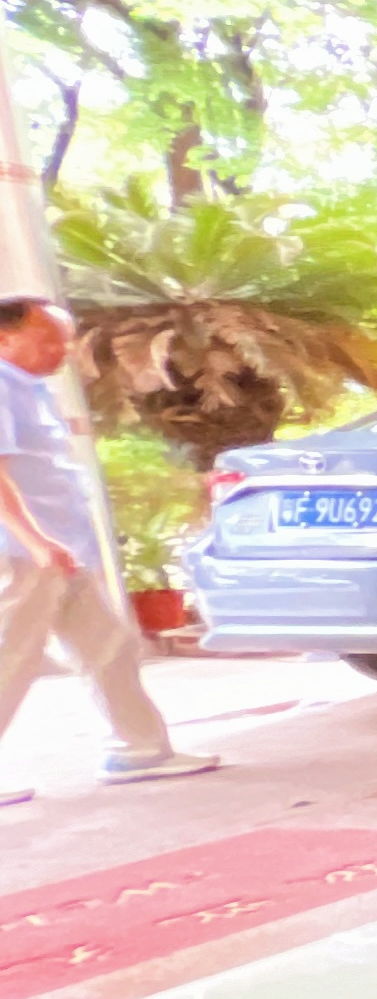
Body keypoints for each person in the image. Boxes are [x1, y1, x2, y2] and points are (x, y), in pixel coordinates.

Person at [0, 296, 218, 800]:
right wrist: (36, 541)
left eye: (65, 340)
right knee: (12, 656)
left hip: (61, 549)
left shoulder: (28, 388)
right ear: (5, 338)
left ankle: (140, 749)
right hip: (27, 551)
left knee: (108, 648)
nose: (63, 350)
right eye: (48, 339)